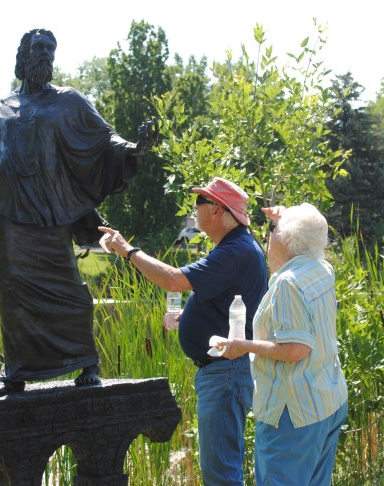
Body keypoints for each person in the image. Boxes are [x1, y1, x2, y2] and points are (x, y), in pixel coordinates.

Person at [0, 28, 158, 397]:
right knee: (14, 294)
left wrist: (136, 147)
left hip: (51, 214)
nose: (44, 55)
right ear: (23, 56)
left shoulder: (69, 101)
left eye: (49, 49)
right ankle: (15, 372)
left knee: (68, 289)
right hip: (7, 217)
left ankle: (86, 363)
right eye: (37, 48)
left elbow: (106, 141)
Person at [99, 177, 268, 485]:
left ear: (217, 210)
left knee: (221, 475)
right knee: (221, 470)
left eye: (198, 204)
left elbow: (173, 280)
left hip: (225, 372)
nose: (194, 210)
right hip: (225, 371)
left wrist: (128, 250)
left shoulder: (235, 250)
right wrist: (185, 317)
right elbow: (216, 299)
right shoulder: (236, 247)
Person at [215, 203, 348, 486]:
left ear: (286, 239)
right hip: (326, 400)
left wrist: (244, 345)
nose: (267, 236)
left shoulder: (288, 283)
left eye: (272, 230)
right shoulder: (321, 269)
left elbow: (296, 350)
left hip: (293, 413)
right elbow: (308, 230)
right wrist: (284, 220)